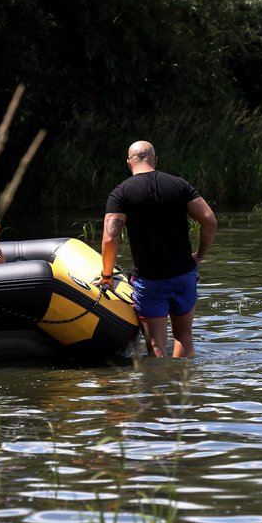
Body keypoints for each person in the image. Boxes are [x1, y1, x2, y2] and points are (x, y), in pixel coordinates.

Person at [93, 141, 217, 359]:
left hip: (150, 281)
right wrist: (199, 256)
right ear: (155, 160)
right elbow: (209, 221)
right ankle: (183, 388)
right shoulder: (179, 185)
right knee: (184, 336)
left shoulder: (121, 193)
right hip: (183, 275)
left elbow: (110, 237)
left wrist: (107, 275)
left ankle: (160, 390)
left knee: (156, 345)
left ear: (128, 163)